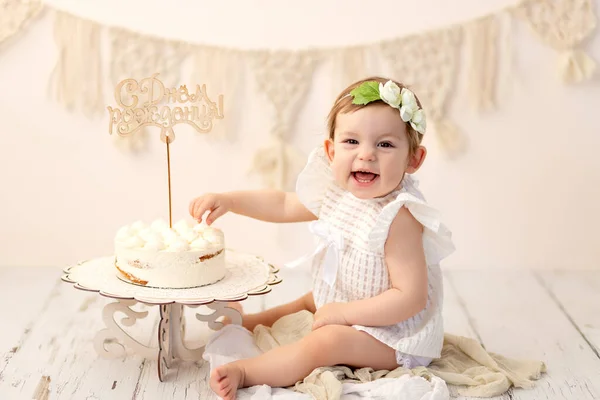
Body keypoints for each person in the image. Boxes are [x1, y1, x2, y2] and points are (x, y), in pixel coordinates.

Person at [189, 76, 455, 400]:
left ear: (413, 159)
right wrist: (231, 200)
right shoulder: (337, 192)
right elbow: (283, 203)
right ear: (330, 151)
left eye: (384, 144)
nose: (366, 155)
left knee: (325, 341)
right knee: (309, 301)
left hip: (394, 335)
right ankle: (250, 323)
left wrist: (344, 315)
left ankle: (248, 371)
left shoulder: (399, 216)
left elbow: (409, 298)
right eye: (351, 142)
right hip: (351, 300)